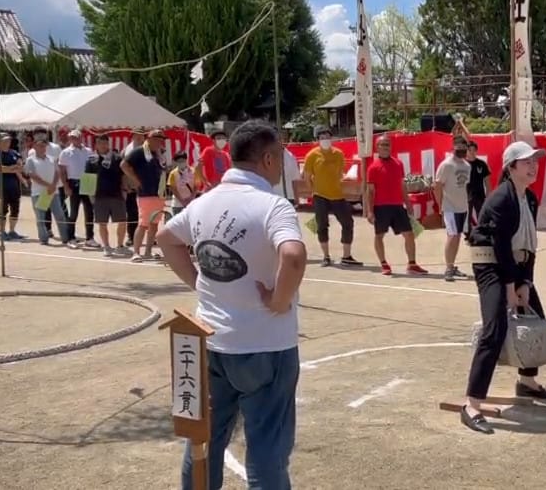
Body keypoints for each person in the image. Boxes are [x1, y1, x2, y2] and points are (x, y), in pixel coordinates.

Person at [155, 120, 306, 490]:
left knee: (204, 437)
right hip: (264, 343)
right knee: (267, 444)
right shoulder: (273, 206)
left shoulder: (203, 202)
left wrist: (198, 282)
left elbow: (165, 237)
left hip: (211, 338)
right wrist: (279, 299)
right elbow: (294, 255)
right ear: (268, 159)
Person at [461, 141, 546, 435]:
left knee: (535, 317)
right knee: (495, 327)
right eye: (526, 161)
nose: (533, 165)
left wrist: (525, 282)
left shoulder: (528, 198)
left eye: (535, 161)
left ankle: (526, 381)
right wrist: (509, 286)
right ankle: (472, 404)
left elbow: (528, 245)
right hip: (490, 264)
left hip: (514, 265)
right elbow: (500, 246)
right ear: (510, 167)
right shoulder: (501, 198)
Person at [365, 135, 428, 276]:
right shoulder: (373, 167)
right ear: (377, 147)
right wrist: (370, 211)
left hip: (398, 206)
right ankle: (384, 264)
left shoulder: (398, 164)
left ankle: (412, 264)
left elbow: (402, 186)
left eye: (387, 144)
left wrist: (408, 203)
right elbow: (370, 191)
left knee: (409, 234)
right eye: (382, 144)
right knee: (379, 235)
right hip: (381, 207)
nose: (386, 147)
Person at [302, 125, 361, 267]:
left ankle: (346, 256)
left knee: (348, 223)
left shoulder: (338, 154)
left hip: (337, 195)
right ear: (317, 140)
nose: (325, 140)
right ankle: (326, 256)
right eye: (322, 138)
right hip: (320, 195)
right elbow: (307, 176)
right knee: (322, 225)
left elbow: (340, 173)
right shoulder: (312, 155)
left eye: (327, 137)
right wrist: (312, 192)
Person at [121, 129, 167, 262]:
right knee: (143, 224)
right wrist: (135, 180)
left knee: (154, 224)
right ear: (150, 139)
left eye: (161, 139)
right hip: (145, 193)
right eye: (158, 139)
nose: (160, 142)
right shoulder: (140, 151)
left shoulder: (158, 153)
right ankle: (136, 252)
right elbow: (124, 165)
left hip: (159, 193)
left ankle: (148, 251)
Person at [434, 135, 472, 281]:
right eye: (459, 148)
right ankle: (448, 268)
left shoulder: (467, 166)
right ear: (453, 147)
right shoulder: (446, 165)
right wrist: (440, 205)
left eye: (464, 148)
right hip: (449, 207)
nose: (462, 150)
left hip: (462, 207)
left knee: (457, 237)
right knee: (452, 236)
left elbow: (464, 187)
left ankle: (452, 265)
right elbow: (437, 186)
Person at [86, 134, 129, 256]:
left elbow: (123, 176)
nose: (103, 145)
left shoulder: (117, 158)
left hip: (116, 194)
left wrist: (125, 190)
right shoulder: (91, 160)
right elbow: (88, 178)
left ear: (108, 144)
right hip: (99, 196)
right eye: (100, 143)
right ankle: (106, 246)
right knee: (102, 222)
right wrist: (91, 196)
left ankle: (120, 245)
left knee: (122, 221)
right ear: (96, 144)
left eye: (105, 143)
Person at [23, 138, 69, 246]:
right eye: (39, 146)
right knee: (41, 218)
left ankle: (65, 237)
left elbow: (57, 172)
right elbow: (32, 175)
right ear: (34, 147)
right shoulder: (30, 160)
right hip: (39, 193)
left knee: (60, 215)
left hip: (53, 192)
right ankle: (44, 239)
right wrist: (48, 185)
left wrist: (53, 185)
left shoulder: (52, 159)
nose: (42, 148)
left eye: (44, 146)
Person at [59, 129, 97, 248]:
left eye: (77, 137)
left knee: (89, 211)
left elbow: (93, 167)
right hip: (73, 181)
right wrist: (66, 186)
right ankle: (71, 238)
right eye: (72, 138)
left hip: (87, 181)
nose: (74, 139)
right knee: (74, 212)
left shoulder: (89, 151)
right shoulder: (65, 152)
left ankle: (90, 238)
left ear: (81, 138)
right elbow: (62, 171)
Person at [0, 134, 26, 241]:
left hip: (15, 186)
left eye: (8, 141)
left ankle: (12, 231)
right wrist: (13, 168)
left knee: (15, 209)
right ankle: (1, 231)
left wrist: (13, 168)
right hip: (3, 186)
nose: (7, 143)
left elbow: (21, 166)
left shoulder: (14, 153)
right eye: (4, 141)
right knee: (2, 210)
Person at [123, 129, 147, 245]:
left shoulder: (148, 149)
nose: (139, 138)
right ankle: (131, 236)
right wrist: (125, 183)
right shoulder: (126, 150)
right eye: (136, 135)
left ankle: (148, 237)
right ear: (132, 136)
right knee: (132, 212)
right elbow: (122, 169)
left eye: (141, 136)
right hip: (131, 186)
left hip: (146, 186)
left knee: (146, 213)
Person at [466, 140, 491, 234]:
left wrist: (489, 195)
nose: (472, 152)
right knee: (466, 217)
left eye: (474, 150)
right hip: (466, 195)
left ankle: (481, 233)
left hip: (479, 195)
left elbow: (487, 181)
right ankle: (468, 234)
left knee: (481, 215)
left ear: (476, 151)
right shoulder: (462, 165)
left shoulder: (482, 164)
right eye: (469, 150)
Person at [168, 151, 195, 215]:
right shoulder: (173, 173)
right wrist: (182, 201)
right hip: (177, 205)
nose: (181, 163)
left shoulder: (193, 171)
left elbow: (197, 186)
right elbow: (173, 189)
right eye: (179, 161)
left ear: (186, 160)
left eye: (183, 160)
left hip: (191, 204)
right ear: (176, 162)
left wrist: (191, 198)